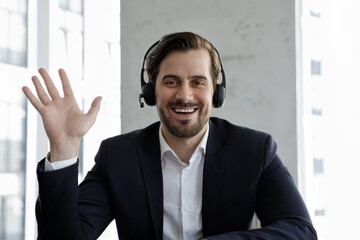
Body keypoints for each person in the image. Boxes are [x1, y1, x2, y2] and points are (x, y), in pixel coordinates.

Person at [22, 32, 317, 240]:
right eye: (171, 81)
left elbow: (299, 230)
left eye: (197, 82)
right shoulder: (118, 156)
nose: (184, 95)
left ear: (217, 91)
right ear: (151, 92)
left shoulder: (254, 150)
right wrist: (64, 147)